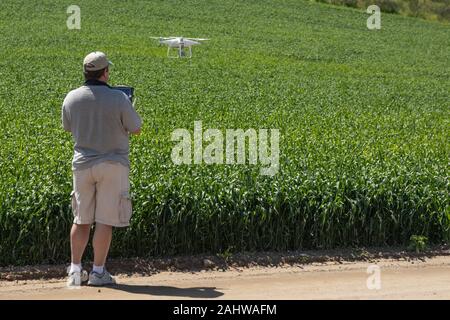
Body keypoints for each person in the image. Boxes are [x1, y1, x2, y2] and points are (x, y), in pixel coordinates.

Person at [61, 51, 142, 287]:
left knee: (81, 219)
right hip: (112, 164)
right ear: (105, 73)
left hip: (82, 164)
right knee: (105, 220)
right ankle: (98, 273)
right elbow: (136, 129)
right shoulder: (119, 99)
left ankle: (75, 271)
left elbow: (67, 127)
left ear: (86, 72)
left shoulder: (71, 97)